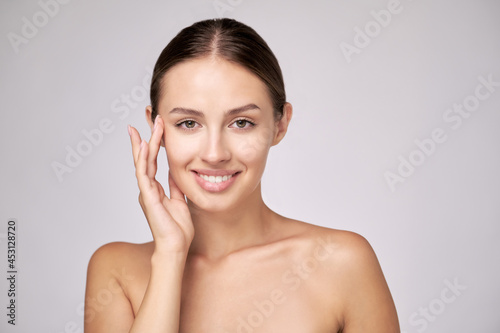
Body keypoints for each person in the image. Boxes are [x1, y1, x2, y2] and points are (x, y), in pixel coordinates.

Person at [84, 18, 400, 333]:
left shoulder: (342, 263)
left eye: (241, 122)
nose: (214, 153)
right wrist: (169, 255)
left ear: (280, 124)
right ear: (157, 128)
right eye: (189, 124)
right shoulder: (115, 271)